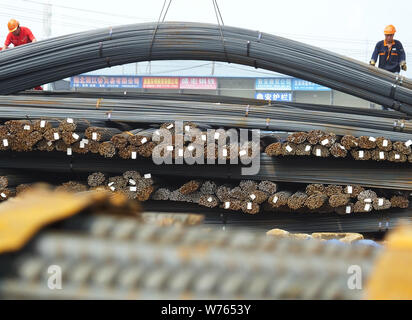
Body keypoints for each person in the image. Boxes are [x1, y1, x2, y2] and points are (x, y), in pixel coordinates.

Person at [2, 19, 42, 90]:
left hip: (28, 54)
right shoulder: (10, 35)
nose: (13, 33)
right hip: (19, 56)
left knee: (32, 72)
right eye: (12, 31)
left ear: (18, 27)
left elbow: (34, 40)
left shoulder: (26, 30)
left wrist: (33, 48)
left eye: (14, 31)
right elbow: (5, 46)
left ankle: (38, 88)